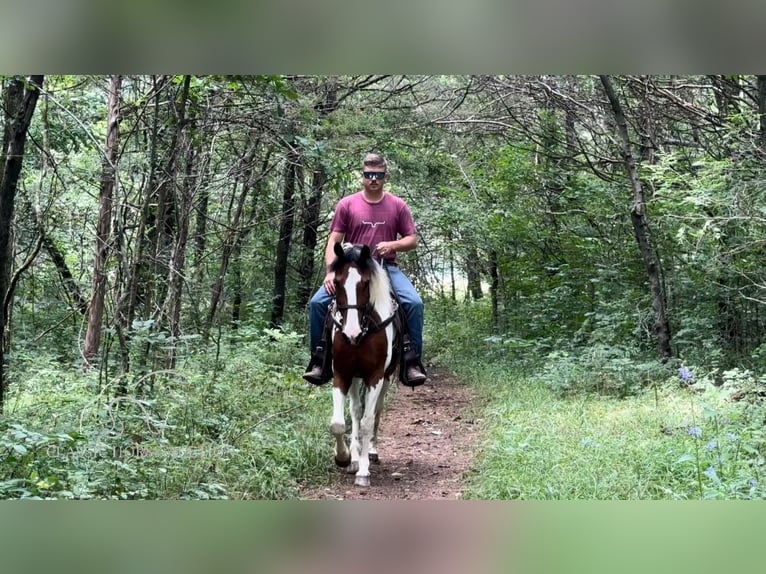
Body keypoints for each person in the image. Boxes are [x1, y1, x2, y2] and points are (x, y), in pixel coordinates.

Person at [303, 153, 427, 386]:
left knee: (413, 303)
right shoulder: (347, 204)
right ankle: (319, 358)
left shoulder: (397, 205)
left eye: (378, 175)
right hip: (351, 269)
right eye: (369, 174)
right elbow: (333, 241)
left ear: (384, 176)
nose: (373, 179)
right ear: (362, 176)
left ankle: (411, 360)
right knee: (318, 304)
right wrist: (331, 271)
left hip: (385, 268)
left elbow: (412, 240)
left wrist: (393, 244)